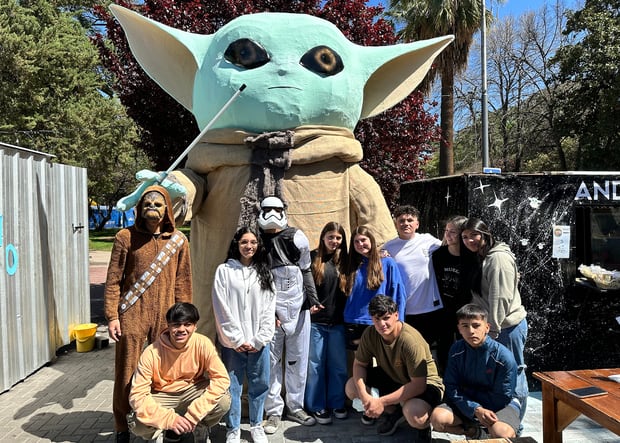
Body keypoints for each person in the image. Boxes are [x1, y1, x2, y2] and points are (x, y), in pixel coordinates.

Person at [104, 185, 193, 443]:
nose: (152, 208)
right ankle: (122, 424)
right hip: (132, 314)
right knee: (127, 371)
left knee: (164, 372)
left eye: (157, 204)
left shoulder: (179, 241)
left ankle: (160, 419)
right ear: (139, 209)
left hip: (166, 316)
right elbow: (113, 281)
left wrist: (184, 321)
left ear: (167, 209)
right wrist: (112, 316)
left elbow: (183, 282)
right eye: (147, 204)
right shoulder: (125, 237)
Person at [258, 196, 323, 433]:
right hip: (271, 311)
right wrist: (268, 311)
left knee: (298, 358)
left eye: (277, 209)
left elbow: (306, 269)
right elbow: (257, 279)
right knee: (271, 362)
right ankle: (273, 411)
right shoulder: (256, 240)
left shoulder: (297, 237)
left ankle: (296, 406)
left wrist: (313, 299)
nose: (273, 214)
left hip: (299, 307)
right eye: (268, 209)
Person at [127, 302, 231, 443]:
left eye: (187, 324)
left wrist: (195, 414)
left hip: (192, 390)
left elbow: (222, 379)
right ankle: (166, 429)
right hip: (162, 394)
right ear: (168, 326)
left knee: (223, 401)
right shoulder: (151, 352)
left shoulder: (203, 344)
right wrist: (168, 419)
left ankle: (199, 425)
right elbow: (137, 395)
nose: (181, 329)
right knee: (138, 423)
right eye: (176, 325)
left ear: (195, 326)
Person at [344, 295, 443, 441]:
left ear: (396, 315)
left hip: (425, 383)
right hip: (394, 376)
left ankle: (421, 425)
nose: (382, 323)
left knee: (415, 414)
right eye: (376, 319)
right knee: (352, 386)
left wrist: (381, 401)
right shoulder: (370, 333)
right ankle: (395, 412)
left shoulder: (410, 341)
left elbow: (418, 385)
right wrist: (365, 397)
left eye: (386, 318)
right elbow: (359, 364)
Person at [461, 217, 528, 424]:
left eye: (474, 235)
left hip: (505, 327)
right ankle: (499, 421)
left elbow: (500, 298)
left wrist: (492, 332)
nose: (469, 240)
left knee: (514, 372)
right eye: (465, 236)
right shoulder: (483, 256)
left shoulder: (497, 259)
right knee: (497, 375)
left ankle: (515, 426)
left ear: (485, 234)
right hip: (493, 326)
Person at [212, 227, 276, 443]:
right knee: (233, 387)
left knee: (260, 384)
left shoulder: (264, 272)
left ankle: (257, 424)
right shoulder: (224, 271)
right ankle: (233, 428)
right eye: (244, 242)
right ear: (236, 244)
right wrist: (236, 339)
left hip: (259, 342)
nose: (249, 246)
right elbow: (221, 307)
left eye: (253, 242)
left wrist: (260, 339)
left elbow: (269, 308)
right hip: (233, 344)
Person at [430, 304, 521, 439]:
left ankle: (503, 428)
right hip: (469, 404)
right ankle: (475, 432)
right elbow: (451, 386)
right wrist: (475, 409)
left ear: (487, 327)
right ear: (459, 329)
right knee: (437, 419)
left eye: (476, 325)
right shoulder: (456, 350)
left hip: (501, 404)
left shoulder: (503, 357)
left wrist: (479, 411)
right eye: (465, 326)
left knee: (501, 432)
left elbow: (503, 396)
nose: (471, 331)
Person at [382, 205, 445, 350]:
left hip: (431, 308)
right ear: (396, 224)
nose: (406, 223)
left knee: (432, 351)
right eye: (402, 220)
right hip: (405, 310)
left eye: (410, 220)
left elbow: (448, 249)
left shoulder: (428, 240)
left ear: (417, 224)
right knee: (409, 350)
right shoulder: (388, 247)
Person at [305, 222, 349, 424]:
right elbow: (302, 286)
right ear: (323, 237)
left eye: (338, 238)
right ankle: (316, 405)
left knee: (339, 367)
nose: (334, 241)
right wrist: (308, 305)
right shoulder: (313, 258)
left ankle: (337, 402)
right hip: (317, 323)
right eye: (330, 237)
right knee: (315, 367)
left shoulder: (346, 261)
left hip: (338, 322)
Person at [343, 226, 406, 350]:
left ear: (371, 240)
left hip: (380, 321)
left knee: (384, 362)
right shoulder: (350, 264)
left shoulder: (387, 262)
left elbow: (398, 292)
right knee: (359, 363)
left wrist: (399, 320)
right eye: (356, 241)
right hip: (353, 321)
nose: (360, 244)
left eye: (363, 240)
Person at [431, 215, 477, 373]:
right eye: (446, 231)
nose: (447, 235)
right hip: (443, 312)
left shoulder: (472, 258)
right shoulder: (438, 255)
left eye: (453, 232)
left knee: (466, 349)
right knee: (444, 350)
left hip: (465, 312)